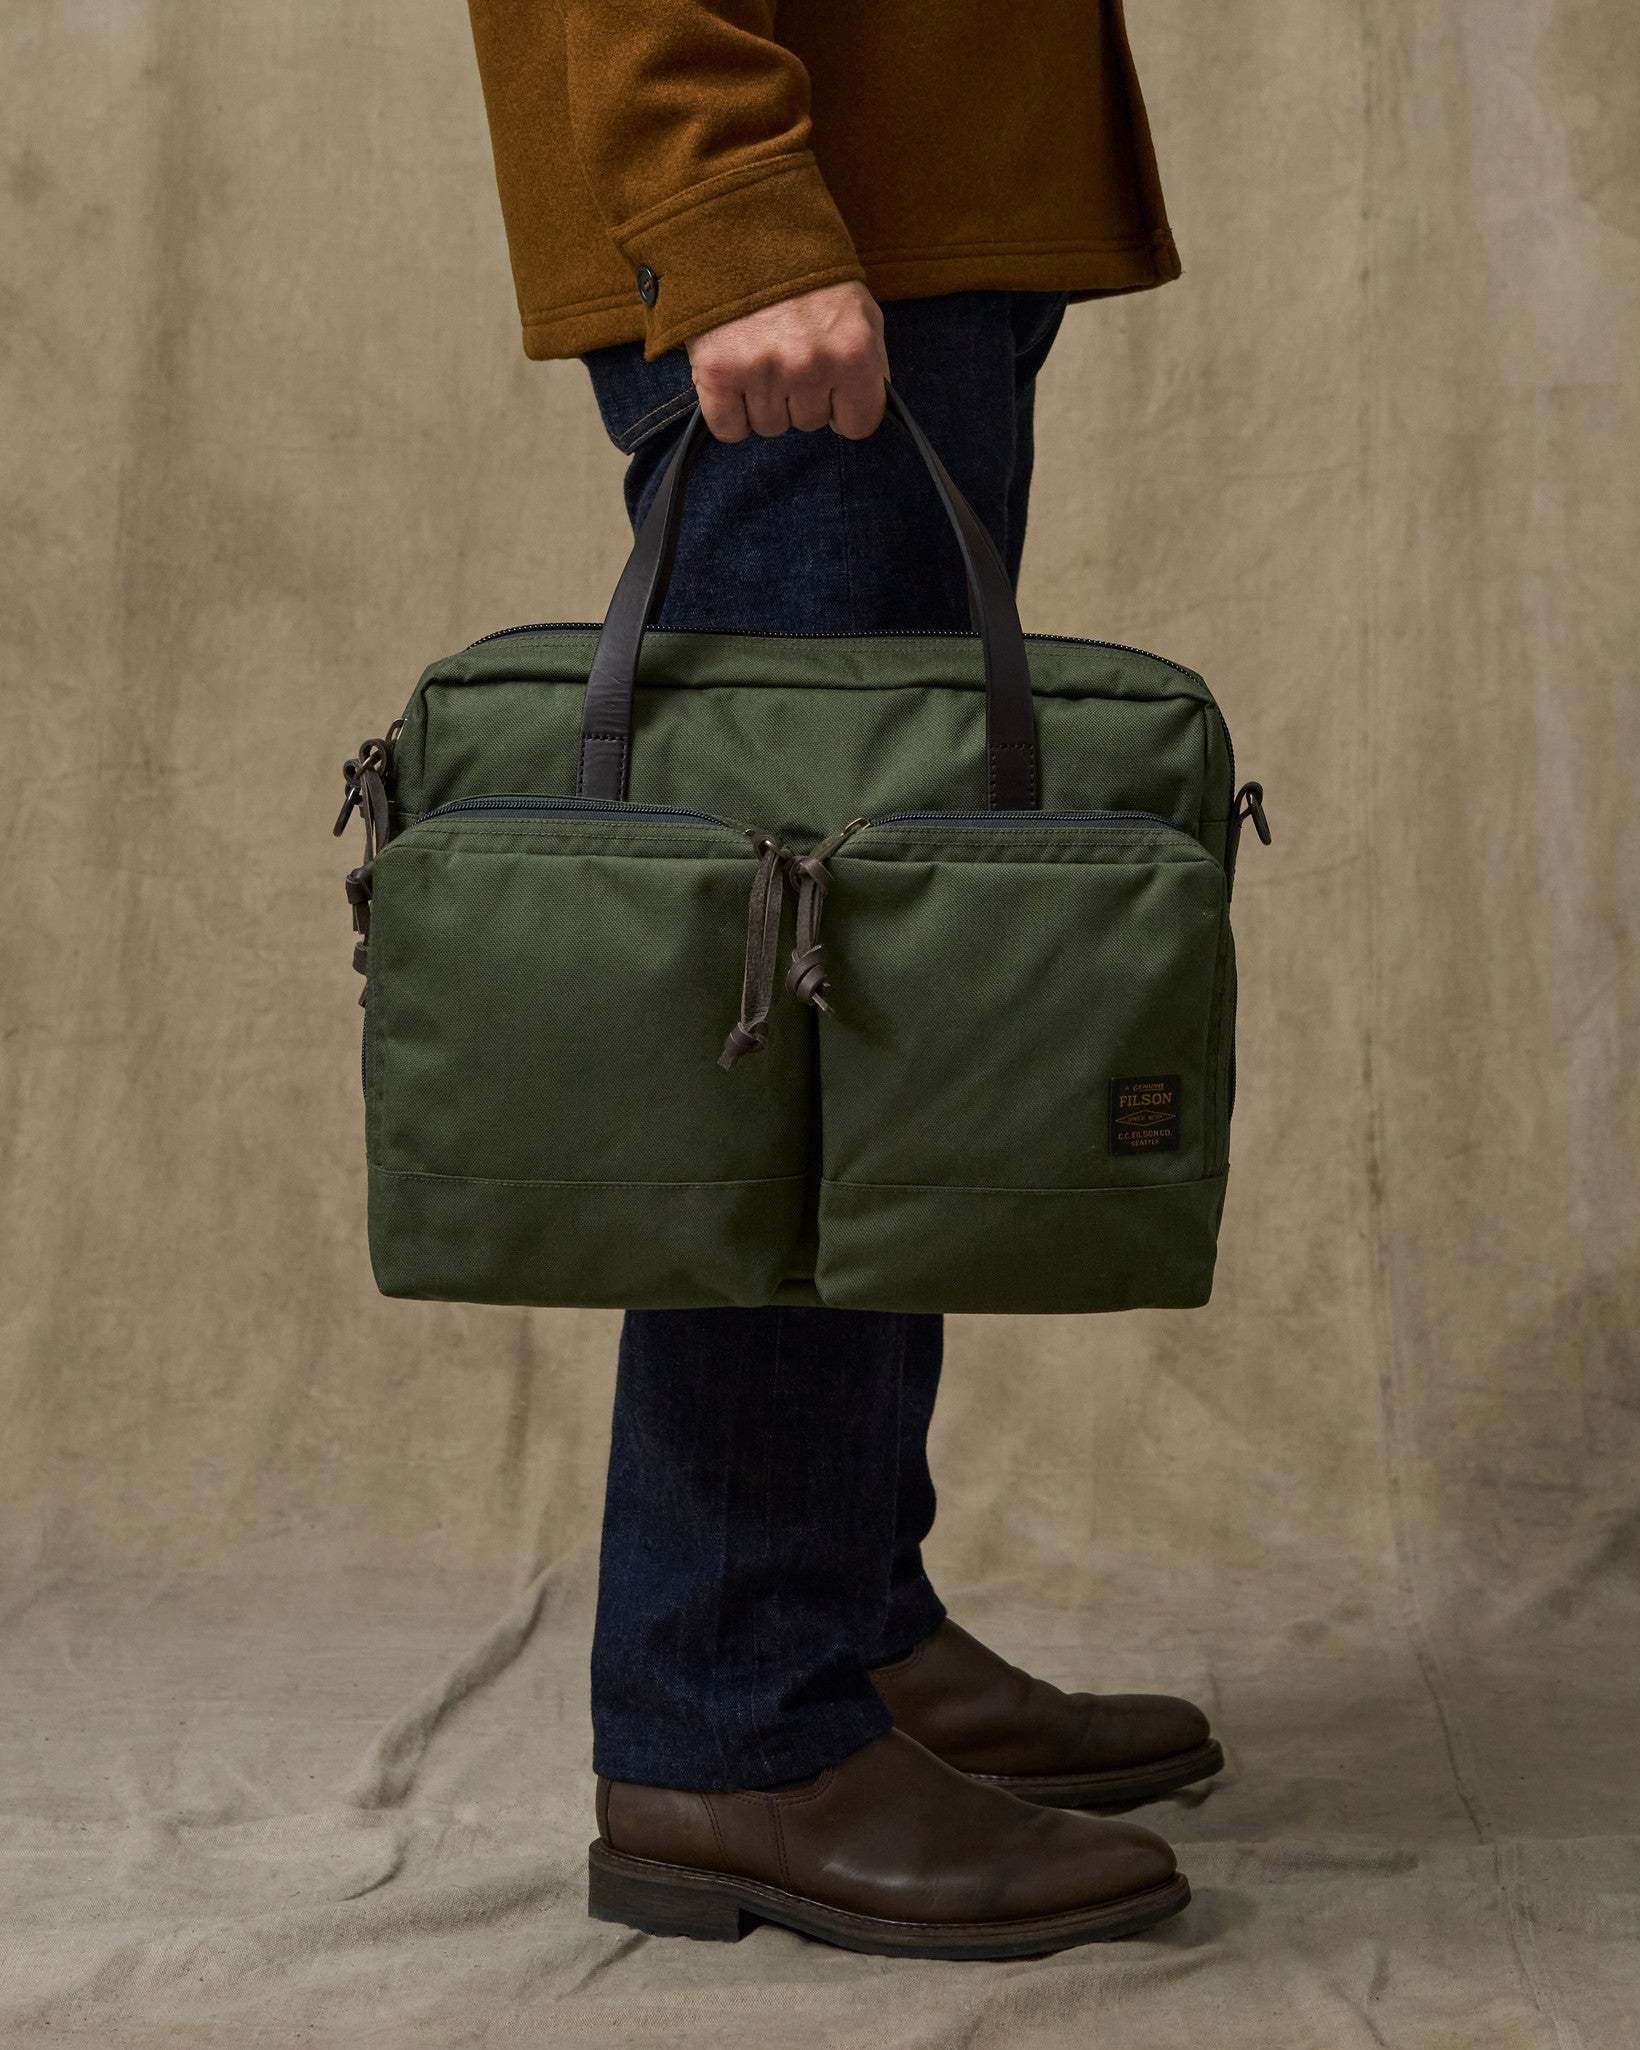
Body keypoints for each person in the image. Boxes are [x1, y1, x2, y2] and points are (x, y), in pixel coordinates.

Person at [462, 1, 1221, 1960]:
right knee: (788, 1013)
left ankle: (850, 1628)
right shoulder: (770, 220)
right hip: (811, 205)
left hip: (914, 195)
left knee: (894, 992)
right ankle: (735, 1718)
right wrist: (727, 199)